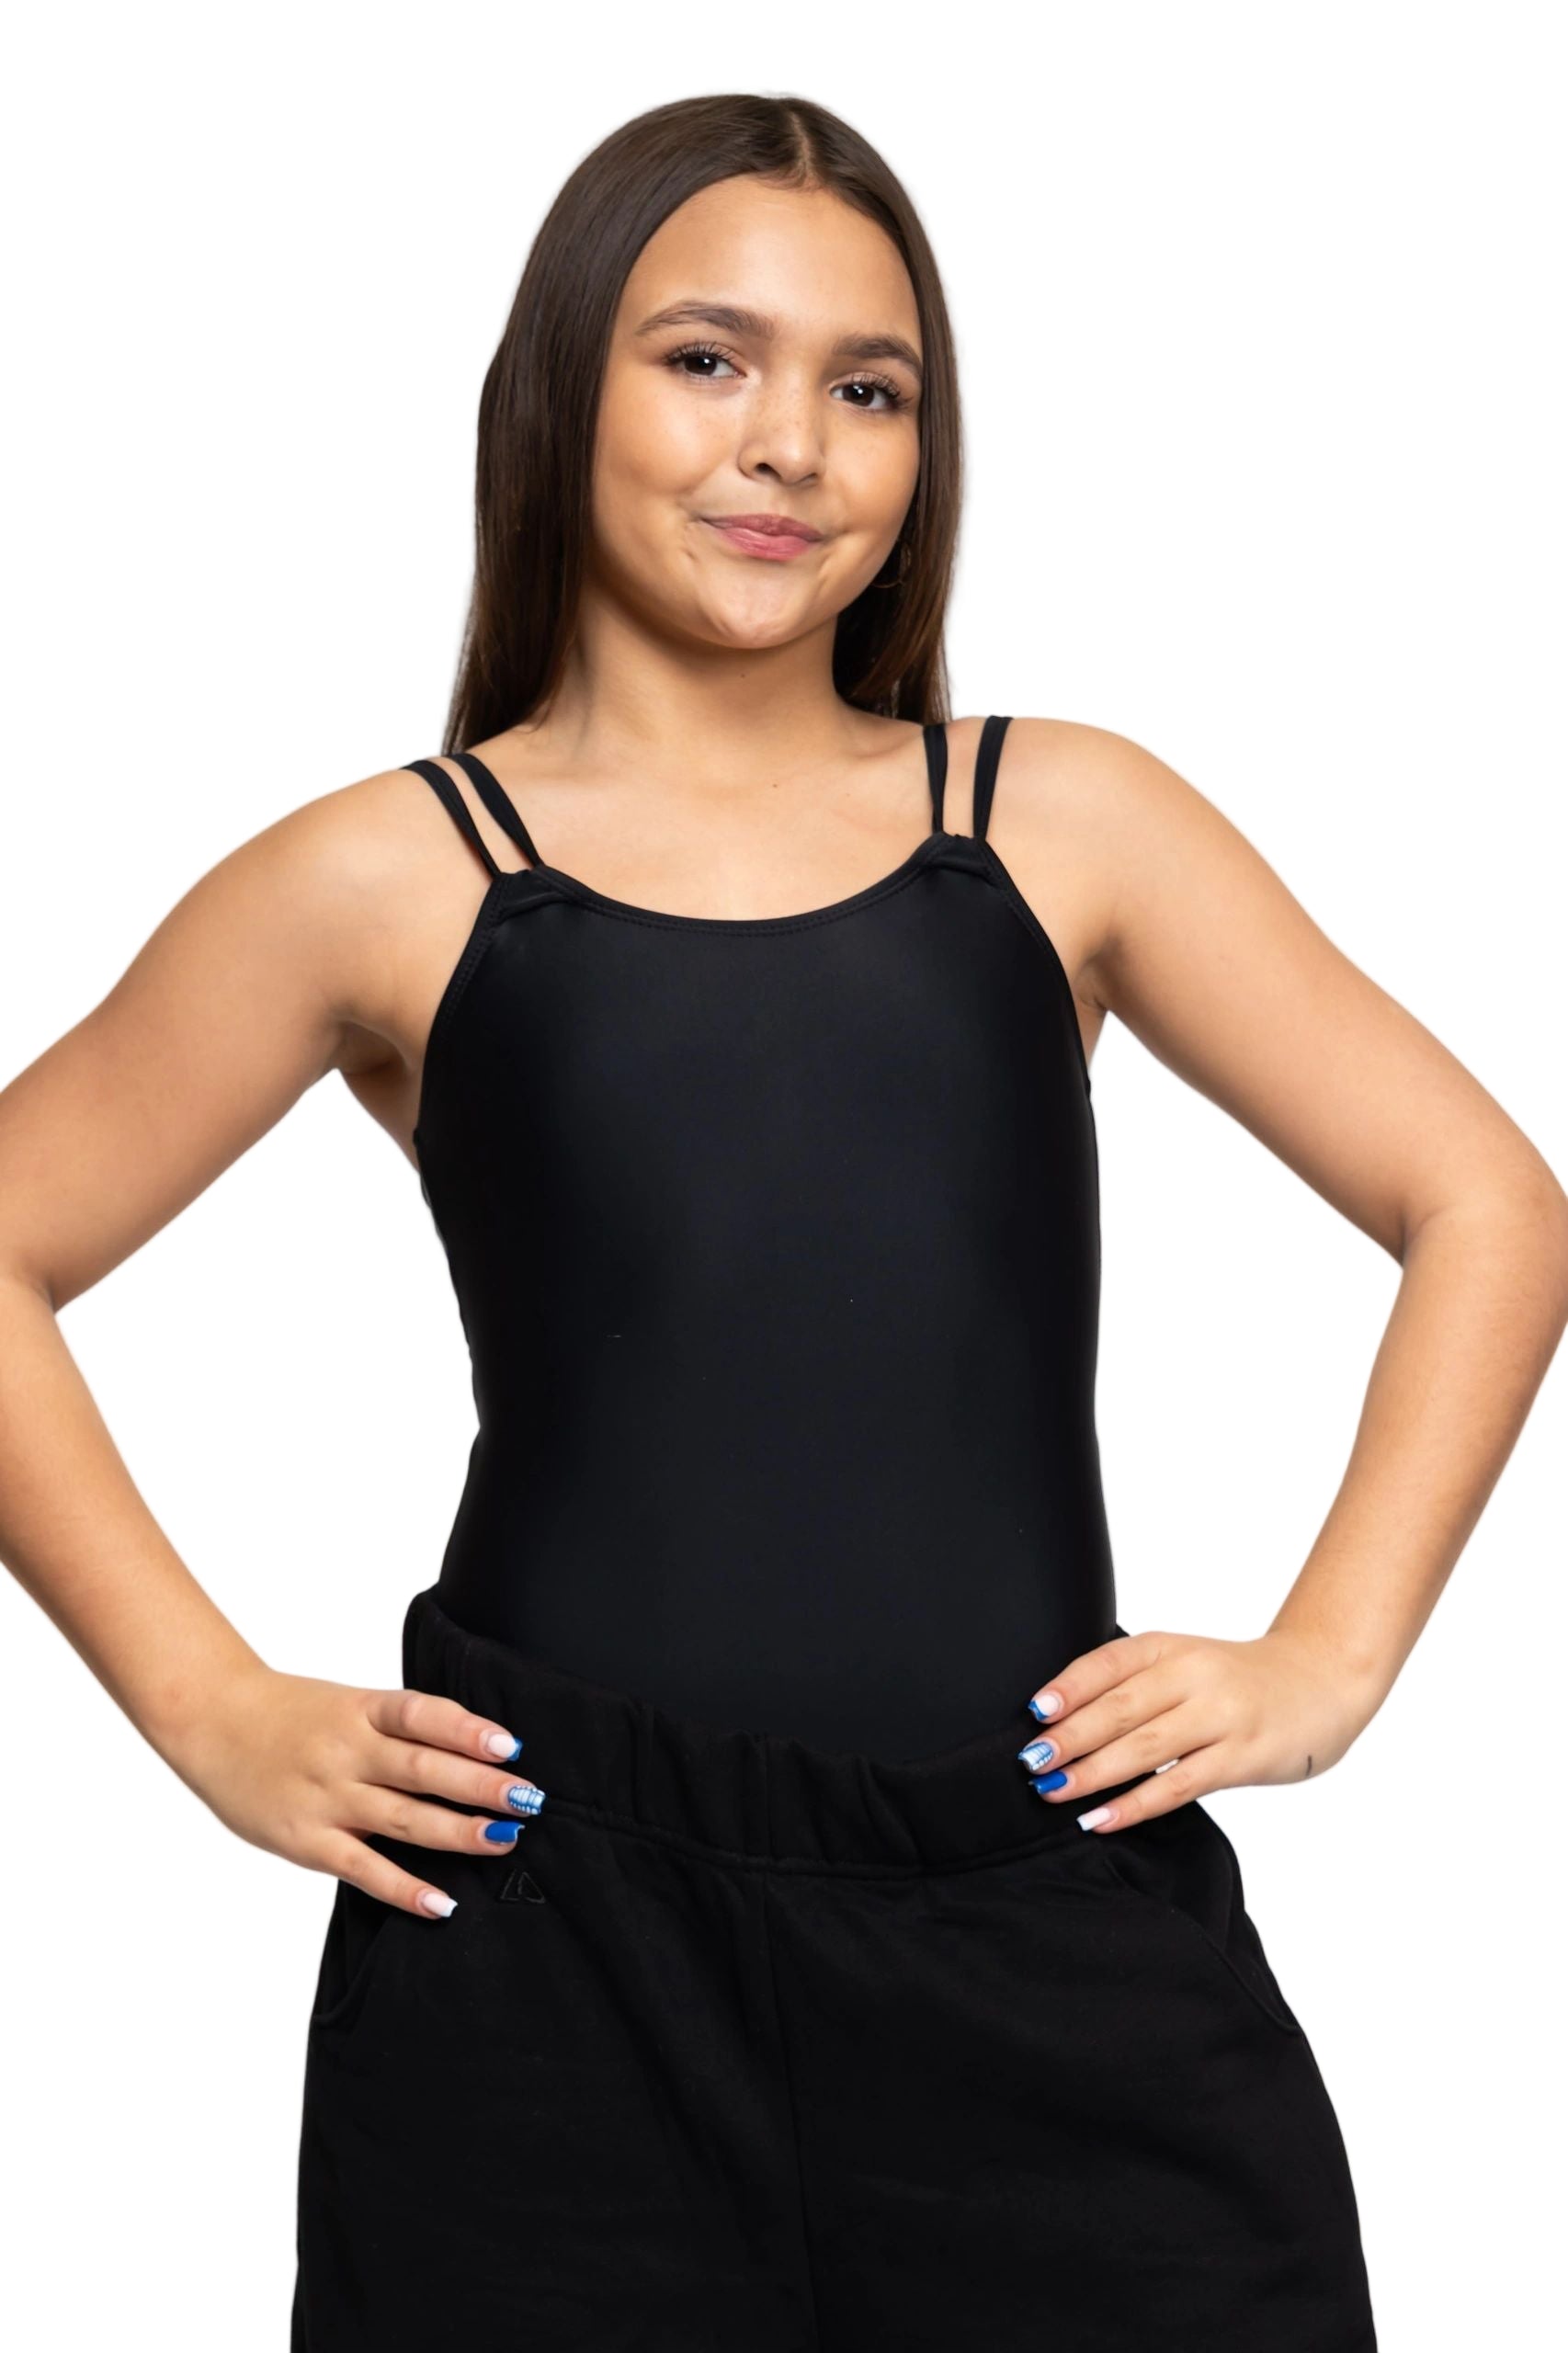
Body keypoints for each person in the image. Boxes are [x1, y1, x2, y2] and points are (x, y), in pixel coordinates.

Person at [1, 90, 1563, 2352]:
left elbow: (1484, 1195)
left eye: (870, 387)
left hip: (1043, 1916)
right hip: (550, 1956)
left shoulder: (1059, 821)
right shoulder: (386, 875)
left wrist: (1327, 1654)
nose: (791, 445)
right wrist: (205, 1699)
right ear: (564, 385)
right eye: (707, 358)